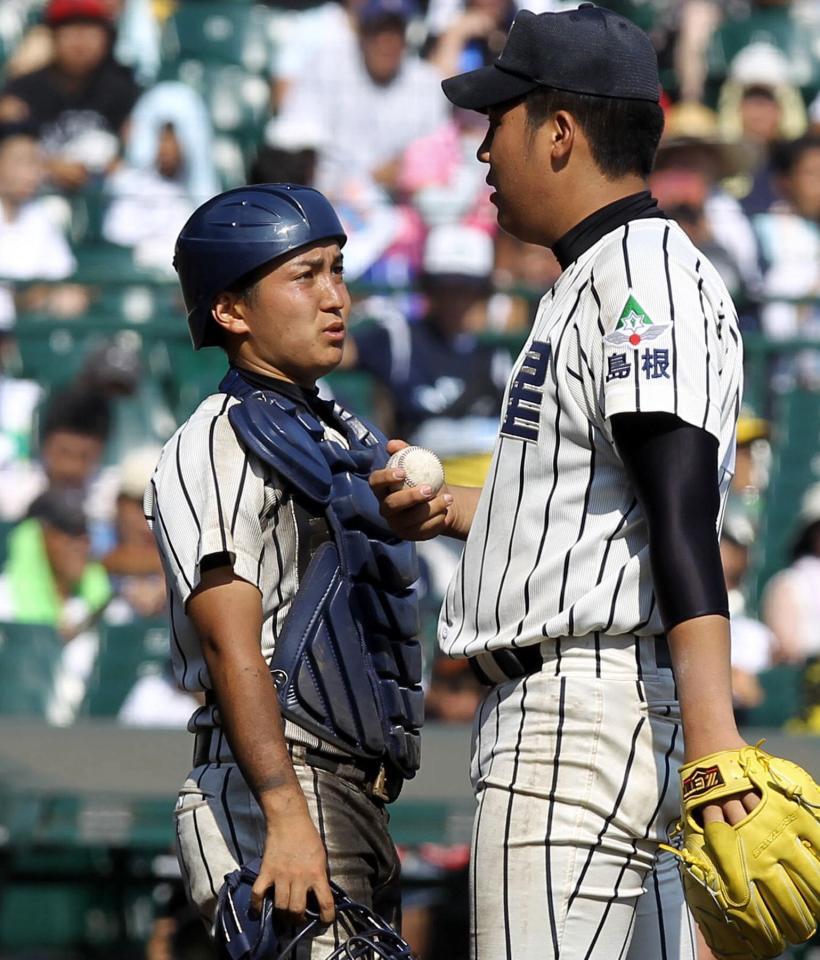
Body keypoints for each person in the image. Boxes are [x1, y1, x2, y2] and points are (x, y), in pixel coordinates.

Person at [369, 6, 803, 958]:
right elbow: (595, 510)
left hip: (580, 723)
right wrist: (447, 511)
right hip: (592, 708)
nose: (482, 149)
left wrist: (718, 744)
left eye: (499, 120)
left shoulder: (642, 276)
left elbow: (682, 515)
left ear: (559, 131)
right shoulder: (594, 274)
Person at [146, 184, 423, 952]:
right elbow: (231, 645)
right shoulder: (218, 441)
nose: (335, 296)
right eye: (305, 275)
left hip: (351, 791)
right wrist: (283, 811)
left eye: (338, 269)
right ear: (232, 310)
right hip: (276, 783)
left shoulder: (333, 432)